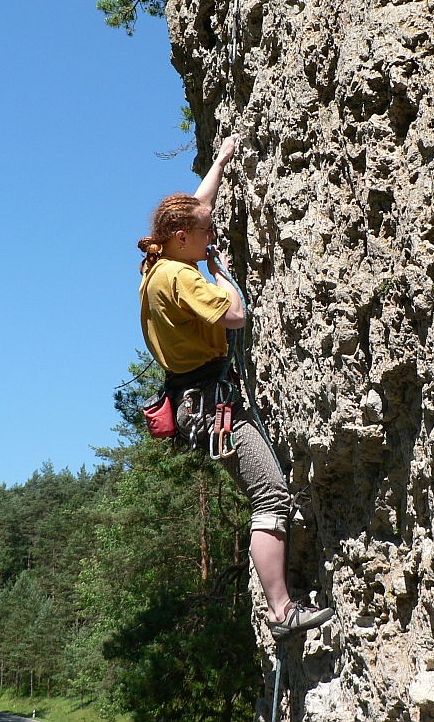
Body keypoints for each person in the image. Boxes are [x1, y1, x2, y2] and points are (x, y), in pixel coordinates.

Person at [137, 134, 334, 640]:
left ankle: (281, 607)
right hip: (209, 408)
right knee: (271, 497)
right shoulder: (181, 278)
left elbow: (198, 207)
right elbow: (237, 315)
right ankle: (282, 612)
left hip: (197, 404)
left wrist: (221, 160)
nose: (212, 236)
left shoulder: (160, 264)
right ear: (181, 237)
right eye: (206, 235)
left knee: (267, 495)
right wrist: (219, 273)